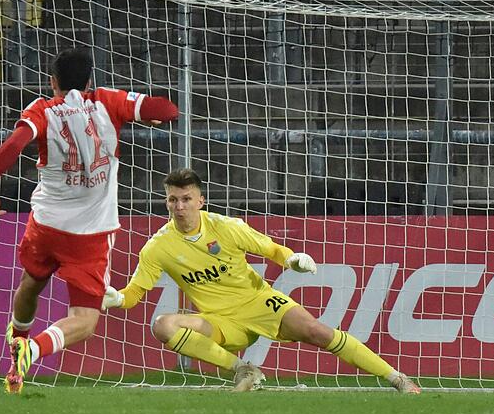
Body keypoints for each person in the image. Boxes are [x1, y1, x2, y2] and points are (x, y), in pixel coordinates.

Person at [102, 168, 421, 393]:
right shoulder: (158, 247)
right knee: (163, 325)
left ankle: (398, 379)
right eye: (173, 200)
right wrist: (116, 298)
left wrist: (292, 259)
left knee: (317, 331)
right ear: (167, 202)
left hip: (259, 304)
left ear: (201, 201)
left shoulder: (227, 227)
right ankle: (242, 369)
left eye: (186, 199)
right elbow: (134, 294)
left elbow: (271, 248)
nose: (179, 207)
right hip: (221, 323)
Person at [0, 47, 179, 394]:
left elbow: (12, 146)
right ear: (90, 80)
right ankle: (33, 350)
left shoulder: (42, 109)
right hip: (90, 233)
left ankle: (18, 339)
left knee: (31, 283)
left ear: (52, 81)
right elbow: (167, 109)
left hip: (45, 224)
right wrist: (151, 116)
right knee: (85, 320)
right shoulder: (108, 101)